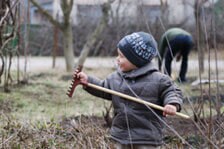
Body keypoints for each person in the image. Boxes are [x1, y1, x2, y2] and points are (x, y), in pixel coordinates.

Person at [75, 32, 183, 149]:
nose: (117, 59)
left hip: (147, 138)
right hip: (122, 135)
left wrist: (172, 104)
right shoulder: (116, 78)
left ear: (137, 60)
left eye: (122, 56)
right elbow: (103, 88)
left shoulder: (158, 79)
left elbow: (172, 91)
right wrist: (88, 82)